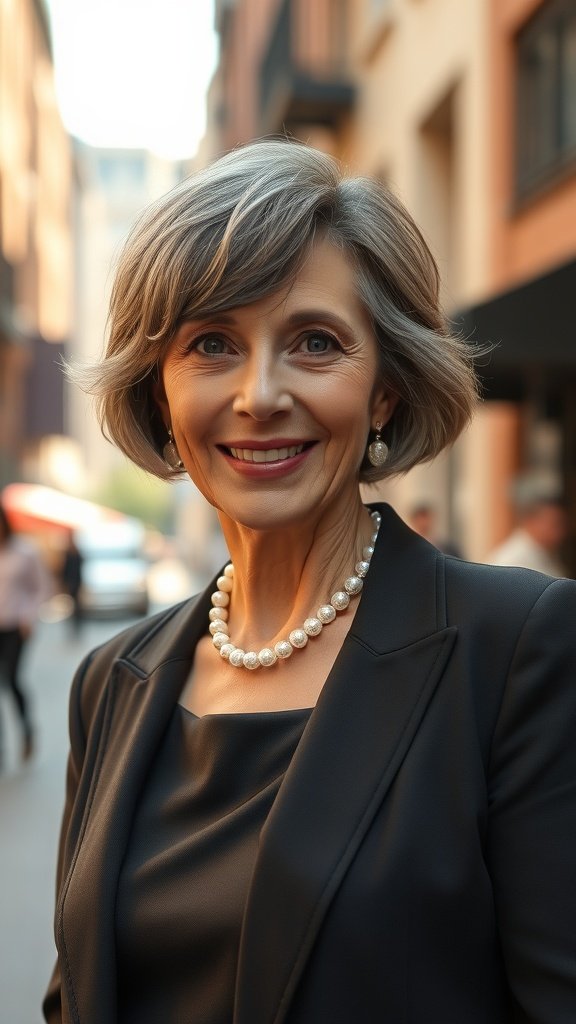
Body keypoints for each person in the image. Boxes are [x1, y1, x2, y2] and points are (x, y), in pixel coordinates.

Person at [43, 140, 576, 1024]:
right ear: (160, 391)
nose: (259, 394)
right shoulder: (113, 681)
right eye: (211, 344)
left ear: (385, 392)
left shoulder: (518, 649)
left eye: (315, 343)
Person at [0, 501, 47, 764]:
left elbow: (40, 587)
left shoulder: (24, 552)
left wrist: (29, 616)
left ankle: (27, 729)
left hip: (16, 627)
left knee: (12, 679)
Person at [486, 480, 568, 577]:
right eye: (554, 524)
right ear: (530, 520)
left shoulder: (544, 553)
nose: (561, 531)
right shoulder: (512, 560)